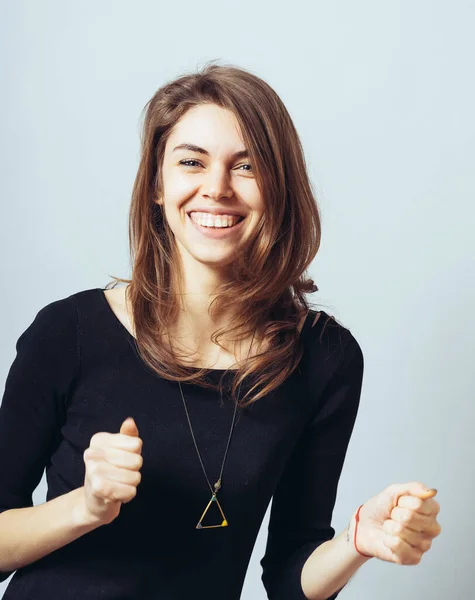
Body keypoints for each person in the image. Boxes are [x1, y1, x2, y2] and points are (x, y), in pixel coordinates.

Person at [0, 62, 441, 600]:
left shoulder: (325, 358)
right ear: (158, 186)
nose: (217, 188)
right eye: (191, 162)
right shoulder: (67, 332)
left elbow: (289, 576)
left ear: (279, 188)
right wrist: (84, 508)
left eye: (246, 167)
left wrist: (356, 540)